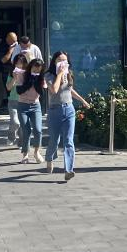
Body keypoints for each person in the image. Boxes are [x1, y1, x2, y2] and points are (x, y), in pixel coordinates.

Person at [44, 51, 90, 181]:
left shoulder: (68, 74)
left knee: (69, 141)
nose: (62, 63)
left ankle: (68, 170)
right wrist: (59, 74)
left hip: (69, 109)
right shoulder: (48, 75)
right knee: (54, 140)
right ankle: (49, 158)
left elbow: (70, 90)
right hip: (54, 111)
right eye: (59, 60)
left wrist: (82, 100)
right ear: (54, 62)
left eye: (65, 60)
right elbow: (54, 90)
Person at [9, 57, 44, 163]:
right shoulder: (22, 75)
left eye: (38, 70)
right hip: (23, 105)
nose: (36, 71)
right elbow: (19, 91)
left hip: (35, 106)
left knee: (38, 130)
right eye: (34, 68)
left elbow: (41, 92)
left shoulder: (41, 78)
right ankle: (25, 154)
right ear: (30, 67)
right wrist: (30, 81)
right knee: (26, 130)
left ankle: (36, 152)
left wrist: (37, 80)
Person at [0, 31, 20, 109]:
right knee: (9, 91)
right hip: (7, 72)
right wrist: (10, 50)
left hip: (19, 72)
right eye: (12, 41)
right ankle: (11, 107)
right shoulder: (4, 47)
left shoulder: (20, 46)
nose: (14, 43)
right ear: (7, 40)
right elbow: (3, 60)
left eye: (15, 40)